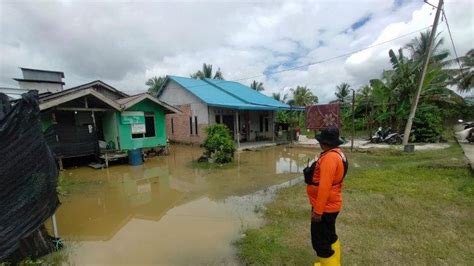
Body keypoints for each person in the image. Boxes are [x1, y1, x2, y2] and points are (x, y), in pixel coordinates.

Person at [307, 128, 347, 266]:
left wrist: (318, 212)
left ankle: (330, 263)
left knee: (320, 242)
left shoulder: (330, 158)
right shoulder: (338, 153)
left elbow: (324, 187)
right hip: (331, 204)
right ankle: (333, 262)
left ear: (324, 143)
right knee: (330, 236)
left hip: (325, 207)